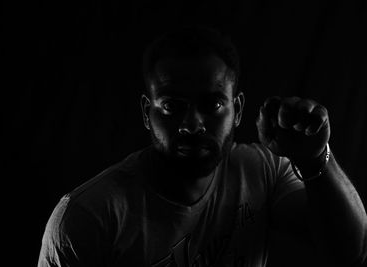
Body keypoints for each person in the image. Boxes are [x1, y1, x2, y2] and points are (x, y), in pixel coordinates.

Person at [37, 26, 367, 267]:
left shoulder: (261, 172)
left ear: (237, 109)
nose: (192, 124)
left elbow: (349, 250)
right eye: (172, 106)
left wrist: (313, 160)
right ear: (146, 113)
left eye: (211, 105)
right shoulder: (88, 216)